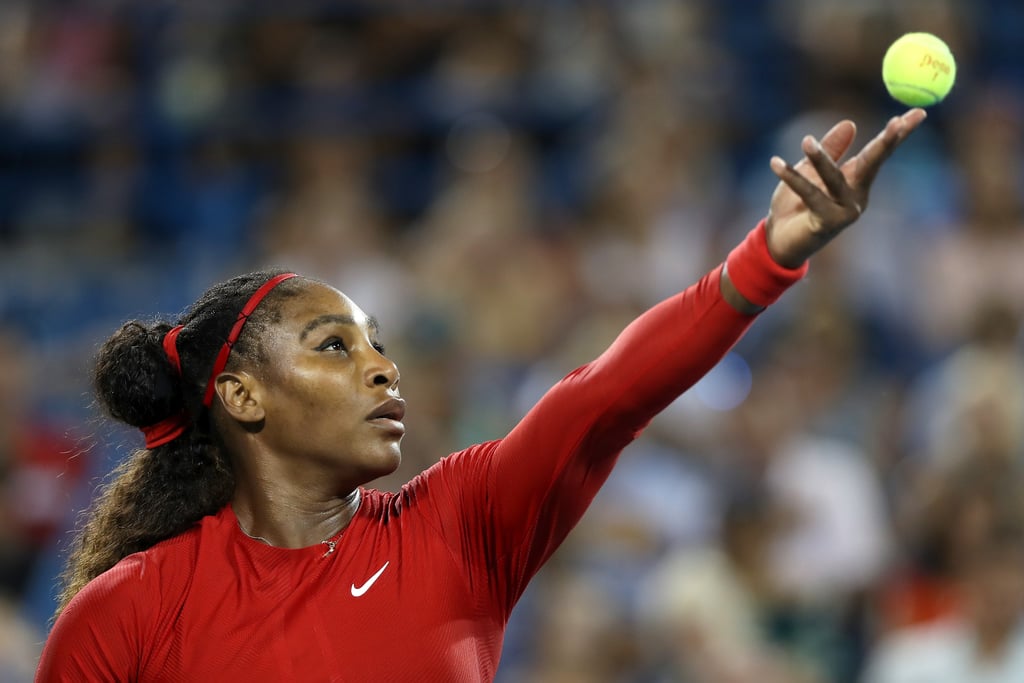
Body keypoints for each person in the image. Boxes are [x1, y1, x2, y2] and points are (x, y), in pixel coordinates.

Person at [35, 108, 926, 681]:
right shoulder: (126, 612)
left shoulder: (458, 523)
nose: (382, 369)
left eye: (380, 346)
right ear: (240, 395)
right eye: (335, 346)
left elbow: (603, 396)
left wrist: (767, 257)